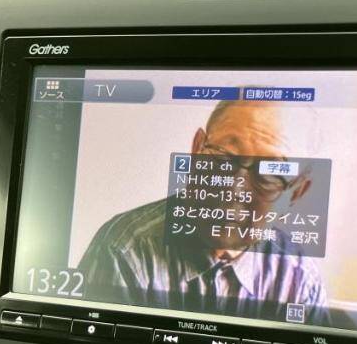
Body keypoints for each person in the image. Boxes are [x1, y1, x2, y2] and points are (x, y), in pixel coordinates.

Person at [78, 99, 327, 323]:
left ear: (297, 191)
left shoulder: (301, 279)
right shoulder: (125, 251)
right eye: (223, 158)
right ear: (197, 149)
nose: (234, 189)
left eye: (270, 173)